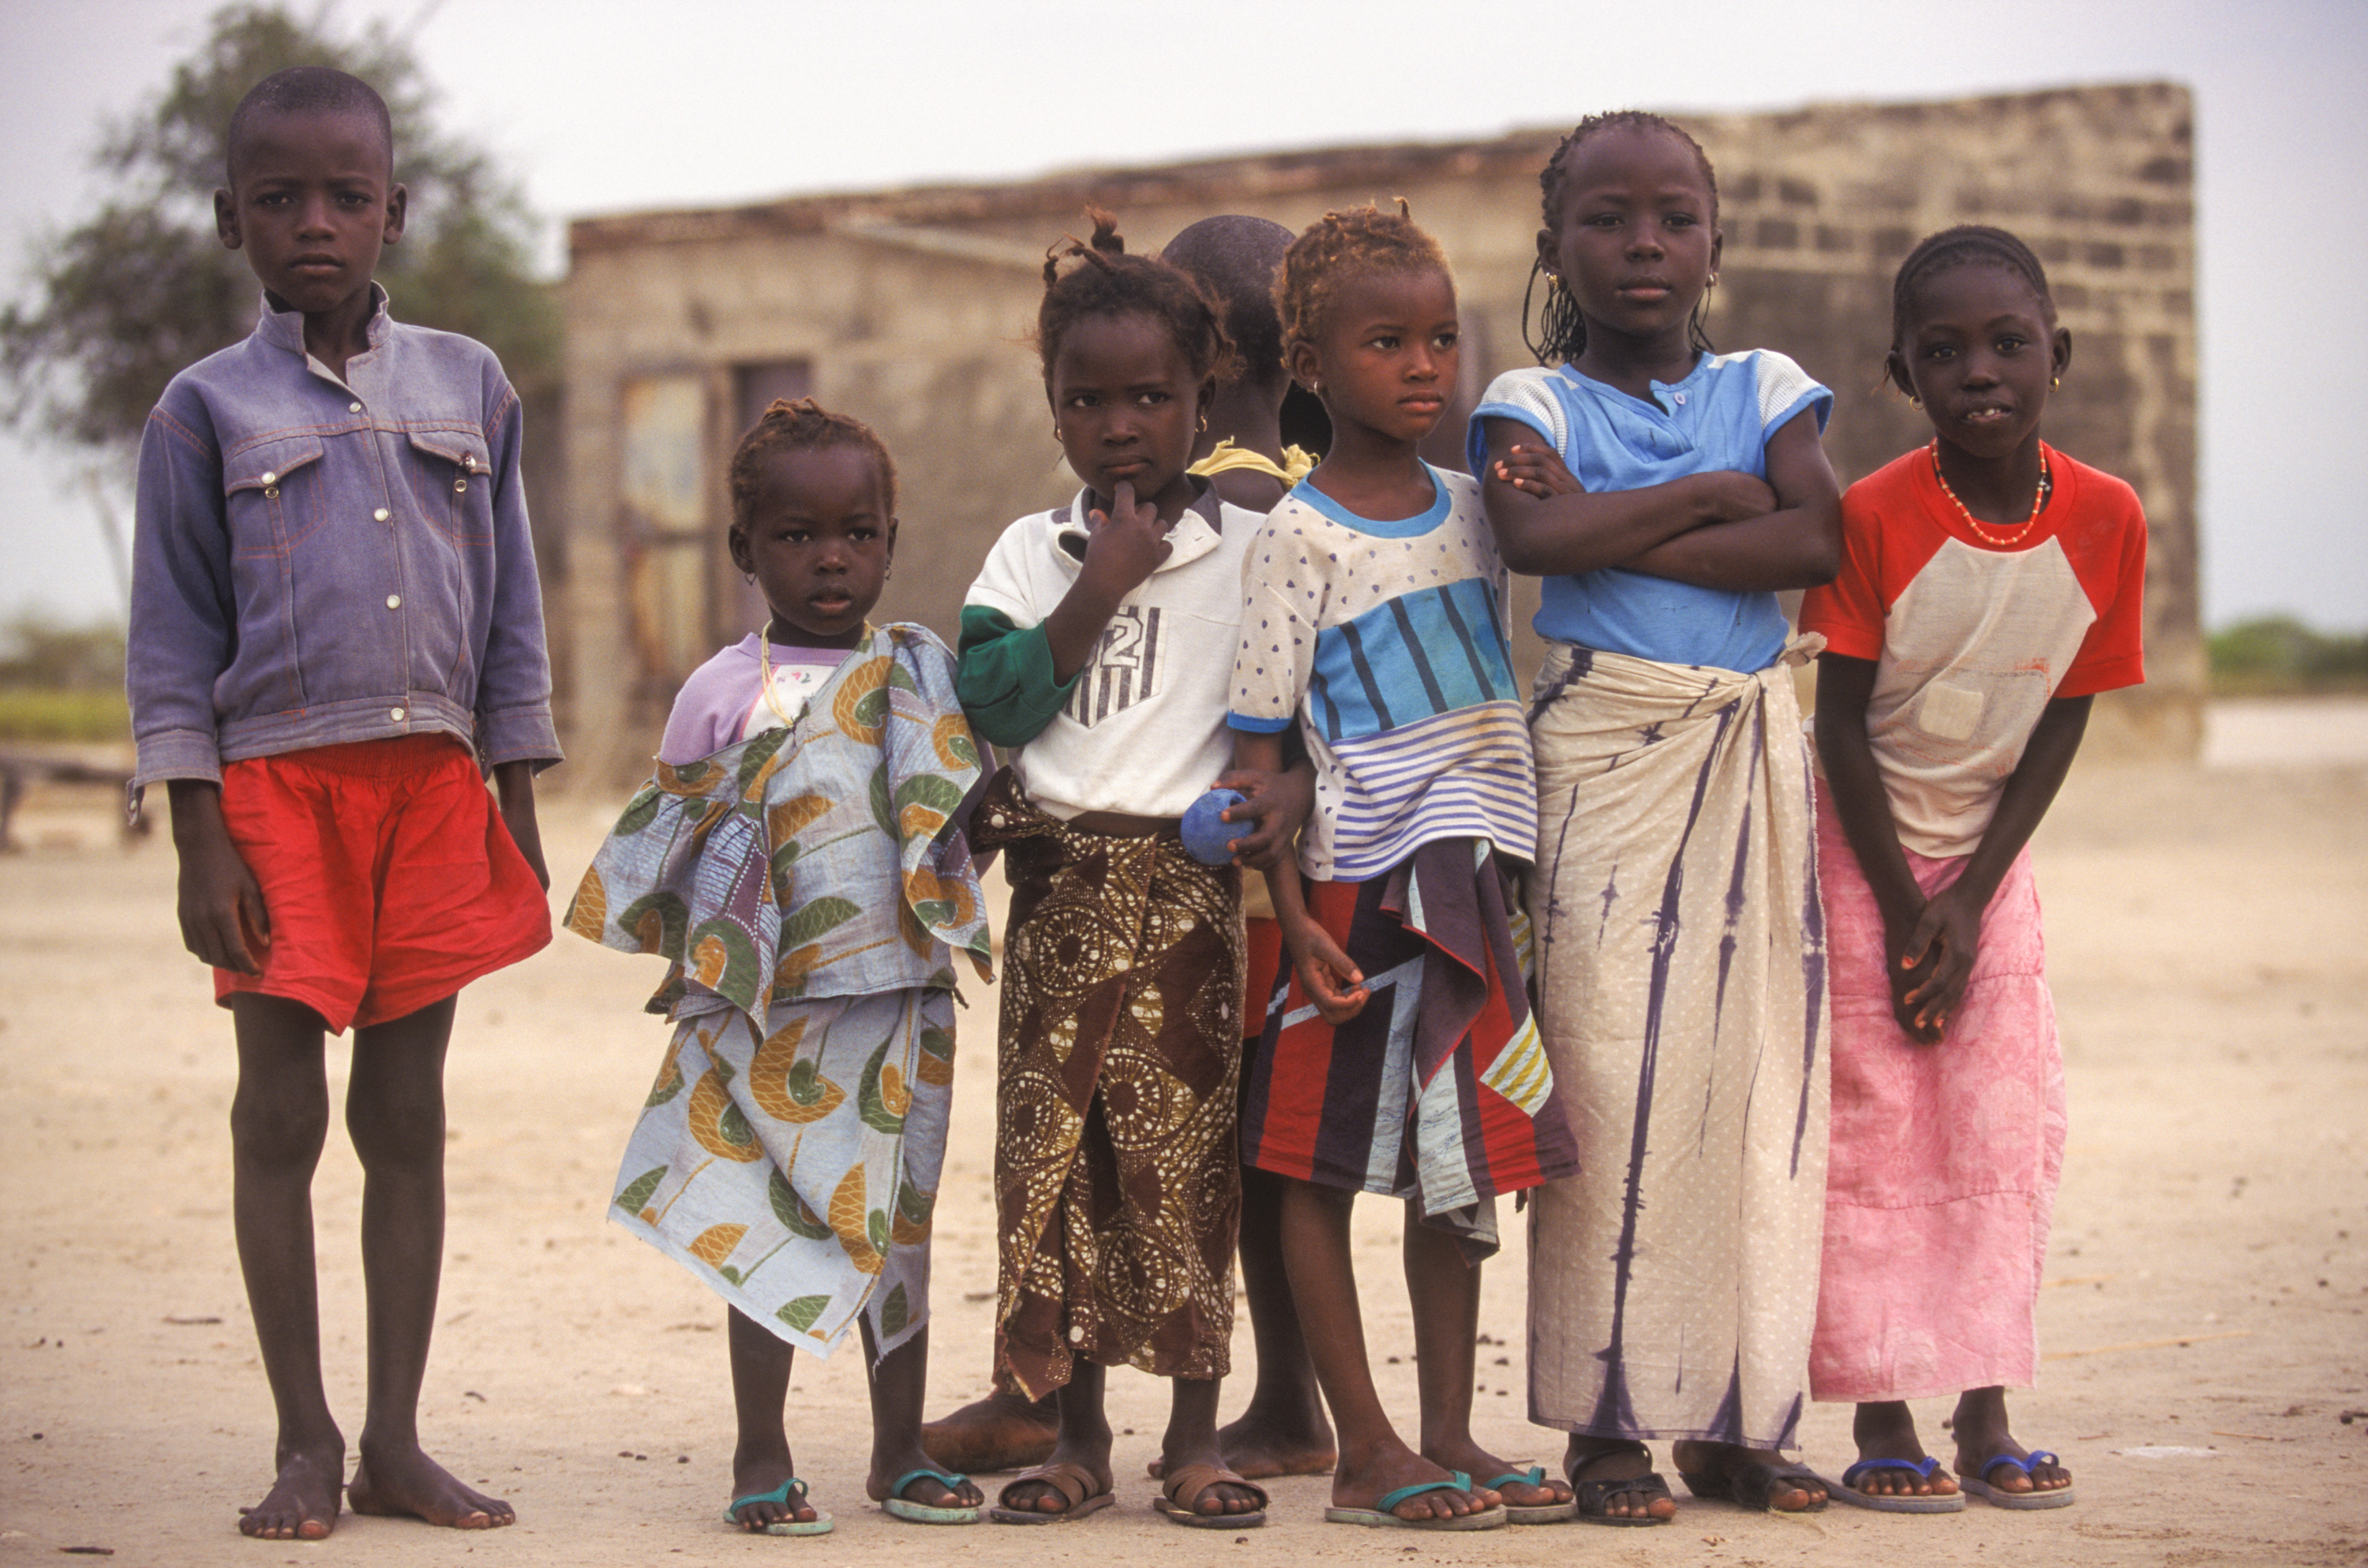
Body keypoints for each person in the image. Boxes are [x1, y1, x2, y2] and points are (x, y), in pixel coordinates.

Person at [127, 67, 556, 1540]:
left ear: (395, 210)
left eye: (347, 197)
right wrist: (196, 834)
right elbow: (173, 641)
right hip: (272, 793)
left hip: (430, 789)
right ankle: (302, 1439)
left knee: (408, 1115)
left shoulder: (472, 386)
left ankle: (394, 1438)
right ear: (231, 217)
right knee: (278, 1116)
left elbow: (510, 611)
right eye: (279, 199)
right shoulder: (203, 411)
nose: (316, 224)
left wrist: (518, 795)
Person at [1469, 110, 1843, 1523]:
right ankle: (1607, 1425)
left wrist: (1619, 515)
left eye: (1674, 218)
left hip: (1748, 759)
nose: (1644, 245)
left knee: (1754, 1094)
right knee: (1613, 1089)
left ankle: (1737, 1419)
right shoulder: (1531, 401)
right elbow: (1535, 541)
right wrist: (1703, 493)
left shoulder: (1769, 380)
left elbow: (1815, 539)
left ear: (1714, 242)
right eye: (1611, 219)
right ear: (1557, 242)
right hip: (1601, 765)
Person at [922, 214, 1335, 1485]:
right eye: (1087, 401)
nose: (1119, 424)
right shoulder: (1027, 552)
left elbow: (1300, 715)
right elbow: (992, 702)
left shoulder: (1254, 549)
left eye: (1150, 397)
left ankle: (1198, 1444)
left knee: (1187, 1174)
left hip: (1188, 899)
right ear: (1052, 414)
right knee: (1055, 1173)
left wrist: (1289, 802)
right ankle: (1076, 1438)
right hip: (1059, 893)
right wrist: (1099, 583)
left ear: (1199, 398)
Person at [568, 399, 995, 1534]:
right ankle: (762, 1453)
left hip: (898, 1002)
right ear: (744, 551)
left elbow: (954, 822)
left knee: (895, 1231)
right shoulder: (720, 690)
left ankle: (898, 1451)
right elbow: (670, 845)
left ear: (891, 544)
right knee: (759, 1221)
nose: (831, 557)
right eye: (799, 536)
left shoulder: (921, 675)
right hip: (758, 1013)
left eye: (857, 532)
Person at [1229, 203, 1580, 1531]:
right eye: (1387, 343)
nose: (1426, 366)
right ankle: (1364, 1449)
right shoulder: (1296, 539)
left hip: (1478, 883)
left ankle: (1447, 1432)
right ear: (1311, 365)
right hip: (1354, 889)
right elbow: (1258, 762)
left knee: (1468, 1162)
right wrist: (1290, 923)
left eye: (1441, 337)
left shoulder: (1487, 512)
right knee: (1313, 1162)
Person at [1802, 226, 2138, 1514]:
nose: (1980, 372)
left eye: (2008, 344)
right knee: (1874, 1132)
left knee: (1998, 1125)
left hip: (1989, 862)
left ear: (2059, 353)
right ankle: (1884, 1411)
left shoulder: (2106, 517)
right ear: (1902, 373)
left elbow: (2068, 708)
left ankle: (1987, 1405)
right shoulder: (1877, 513)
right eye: (1943, 352)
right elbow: (1837, 725)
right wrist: (1902, 909)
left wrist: (1974, 896)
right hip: (1860, 848)